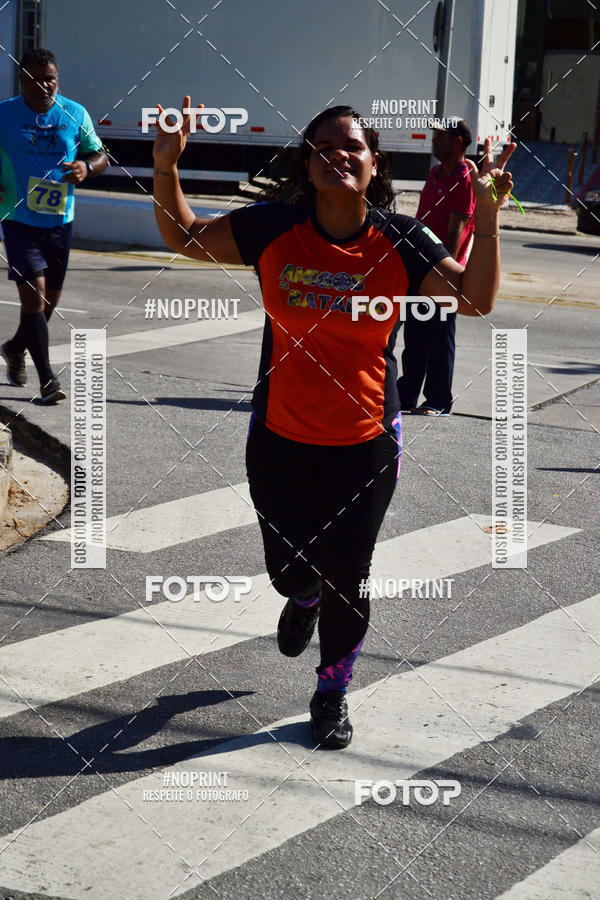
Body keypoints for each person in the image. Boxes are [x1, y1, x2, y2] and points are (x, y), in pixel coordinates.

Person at [152, 98, 514, 749]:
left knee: (350, 571)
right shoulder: (272, 229)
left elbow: (476, 299)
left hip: (365, 447)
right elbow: (183, 237)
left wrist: (486, 218)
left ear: (373, 163)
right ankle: (304, 595)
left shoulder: (401, 241)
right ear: (308, 164)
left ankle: (332, 691)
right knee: (292, 571)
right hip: (279, 440)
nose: (338, 155)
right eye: (323, 146)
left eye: (352, 146)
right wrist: (165, 168)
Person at [0, 48, 108, 402]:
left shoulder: (74, 113)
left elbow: (99, 154)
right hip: (17, 219)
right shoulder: (4, 114)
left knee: (47, 304)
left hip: (60, 220)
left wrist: (86, 168)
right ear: (22, 80)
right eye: (37, 79)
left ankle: (14, 348)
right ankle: (48, 381)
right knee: (35, 298)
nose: (45, 85)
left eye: (51, 79)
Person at [397, 120, 476, 416]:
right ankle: (406, 395)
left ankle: (438, 400)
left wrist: (443, 274)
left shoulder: (465, 178)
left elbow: (457, 228)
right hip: (420, 265)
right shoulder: (434, 173)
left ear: (457, 142)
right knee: (415, 334)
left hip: (442, 270)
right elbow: (421, 221)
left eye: (440, 136)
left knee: (440, 337)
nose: (434, 140)